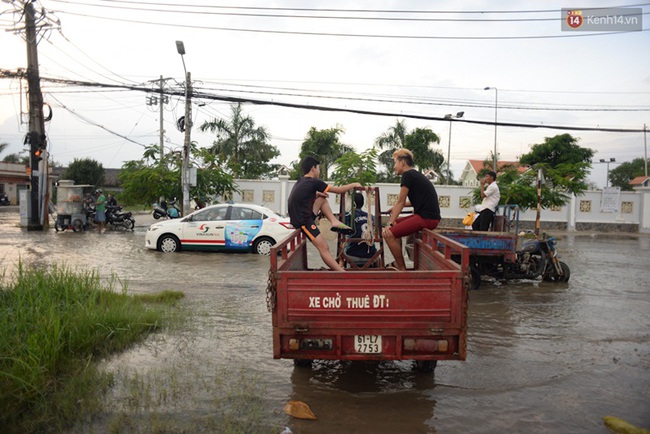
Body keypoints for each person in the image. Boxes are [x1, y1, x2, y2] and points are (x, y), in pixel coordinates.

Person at [288, 156, 362, 271]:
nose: (319, 171)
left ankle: (334, 222)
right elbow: (338, 190)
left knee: (322, 199)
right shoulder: (314, 182)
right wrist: (354, 185)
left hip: (302, 216)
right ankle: (341, 273)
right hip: (304, 221)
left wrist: (318, 195)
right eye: (318, 168)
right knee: (324, 247)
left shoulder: (301, 181)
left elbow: (301, 198)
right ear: (313, 168)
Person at [382, 148, 441, 271]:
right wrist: (394, 210)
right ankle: (399, 263)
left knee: (388, 234)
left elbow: (401, 202)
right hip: (427, 217)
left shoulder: (407, 175)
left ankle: (402, 269)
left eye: (395, 163)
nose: (394, 167)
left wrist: (390, 223)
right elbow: (414, 201)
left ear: (402, 162)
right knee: (395, 226)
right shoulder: (415, 174)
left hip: (426, 218)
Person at [342, 192, 377, 267]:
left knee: (341, 246)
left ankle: (341, 264)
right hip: (370, 255)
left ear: (352, 203)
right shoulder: (370, 216)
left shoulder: (348, 216)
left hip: (352, 255)